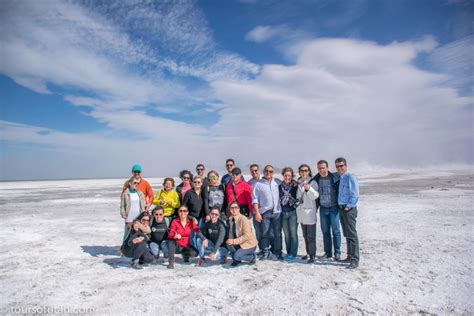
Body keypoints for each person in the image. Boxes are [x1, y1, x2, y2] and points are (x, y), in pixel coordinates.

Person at [252, 165, 283, 260]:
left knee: (277, 233)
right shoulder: (259, 184)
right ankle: (265, 252)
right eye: (266, 171)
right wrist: (257, 212)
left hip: (277, 212)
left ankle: (277, 252)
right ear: (263, 172)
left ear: (273, 172)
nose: (268, 173)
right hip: (265, 212)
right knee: (265, 233)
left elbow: (287, 184)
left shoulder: (277, 182)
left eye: (270, 171)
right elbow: (255, 199)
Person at [335, 157, 360, 269]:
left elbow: (354, 194)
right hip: (342, 208)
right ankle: (349, 256)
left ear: (346, 165)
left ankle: (355, 259)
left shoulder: (350, 177)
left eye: (341, 166)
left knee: (352, 234)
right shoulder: (341, 178)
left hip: (348, 210)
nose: (340, 168)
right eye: (337, 166)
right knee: (347, 234)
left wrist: (348, 207)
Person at [314, 160, 341, 261]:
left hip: (334, 208)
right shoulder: (316, 179)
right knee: (325, 232)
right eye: (319, 168)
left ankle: (337, 253)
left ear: (327, 167)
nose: (321, 170)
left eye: (323, 168)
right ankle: (328, 253)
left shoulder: (335, 177)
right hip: (323, 208)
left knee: (336, 231)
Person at [296, 164, 319, 263]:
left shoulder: (313, 182)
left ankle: (312, 255)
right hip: (301, 213)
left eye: (305, 170)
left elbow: (315, 195)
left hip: (309, 213)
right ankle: (308, 253)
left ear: (309, 171)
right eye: (301, 170)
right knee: (305, 235)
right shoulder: (298, 182)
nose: (303, 172)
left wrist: (309, 189)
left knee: (311, 236)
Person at [226, 202, 258, 267]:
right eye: (232, 208)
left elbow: (247, 236)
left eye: (236, 208)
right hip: (240, 243)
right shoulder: (231, 219)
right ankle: (236, 260)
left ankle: (252, 257)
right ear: (230, 209)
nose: (234, 209)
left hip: (249, 245)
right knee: (229, 244)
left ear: (239, 209)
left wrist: (234, 241)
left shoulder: (244, 219)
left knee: (236, 255)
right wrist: (230, 240)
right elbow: (231, 233)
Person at [279, 167, 299, 261]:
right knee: (286, 234)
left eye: (289, 176)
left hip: (293, 212)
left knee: (293, 234)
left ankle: (293, 253)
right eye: (286, 175)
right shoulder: (280, 186)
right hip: (283, 212)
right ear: (283, 175)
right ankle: (288, 252)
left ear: (292, 176)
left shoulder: (295, 186)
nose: (287, 177)